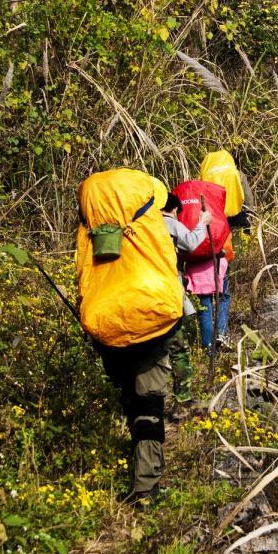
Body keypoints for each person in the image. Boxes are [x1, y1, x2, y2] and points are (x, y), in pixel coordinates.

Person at [76, 168, 184, 509]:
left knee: (130, 397)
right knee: (149, 402)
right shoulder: (148, 203)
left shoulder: (90, 218)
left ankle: (139, 464)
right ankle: (145, 488)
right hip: (151, 313)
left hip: (105, 318)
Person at [160, 193, 212, 411]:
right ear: (173, 209)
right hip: (165, 293)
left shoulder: (137, 226)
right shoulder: (169, 223)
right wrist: (202, 223)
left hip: (136, 294)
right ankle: (183, 401)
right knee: (177, 347)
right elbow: (190, 243)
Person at [185, 251, 231, 352]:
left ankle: (209, 348)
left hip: (197, 270)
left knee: (205, 309)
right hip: (218, 264)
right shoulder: (211, 234)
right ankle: (221, 334)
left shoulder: (188, 234)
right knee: (224, 298)